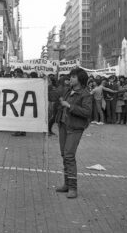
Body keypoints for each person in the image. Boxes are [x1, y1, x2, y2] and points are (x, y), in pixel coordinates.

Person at [55, 67, 92, 199]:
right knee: (64, 154)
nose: (70, 78)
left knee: (69, 155)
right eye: (70, 76)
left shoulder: (85, 94)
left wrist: (69, 106)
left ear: (80, 79)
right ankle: (66, 183)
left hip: (75, 128)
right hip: (63, 126)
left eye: (73, 77)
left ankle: (73, 188)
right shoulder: (68, 91)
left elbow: (87, 112)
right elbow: (55, 95)